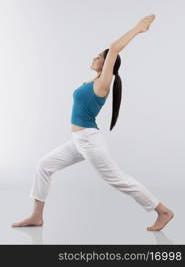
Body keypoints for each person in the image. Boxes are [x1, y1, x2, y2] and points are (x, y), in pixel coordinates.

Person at [11, 15, 174, 231]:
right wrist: (93, 76)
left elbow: (114, 48)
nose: (95, 57)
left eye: (99, 57)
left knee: (119, 179)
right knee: (44, 165)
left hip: (89, 141)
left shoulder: (104, 83)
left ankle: (162, 211)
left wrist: (138, 28)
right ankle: (36, 216)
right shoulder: (94, 81)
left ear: (108, 64)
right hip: (79, 140)